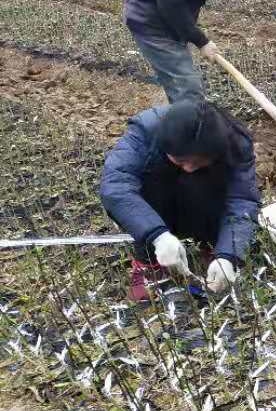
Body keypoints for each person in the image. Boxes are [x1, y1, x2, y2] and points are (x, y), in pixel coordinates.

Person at [99, 98, 261, 302]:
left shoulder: (235, 141)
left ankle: (213, 249)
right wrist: (156, 235)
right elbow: (116, 186)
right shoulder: (146, 131)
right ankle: (149, 264)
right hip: (158, 203)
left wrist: (229, 255)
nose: (189, 168)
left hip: (205, 203)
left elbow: (242, 200)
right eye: (181, 160)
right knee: (147, 188)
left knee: (209, 183)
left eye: (199, 160)